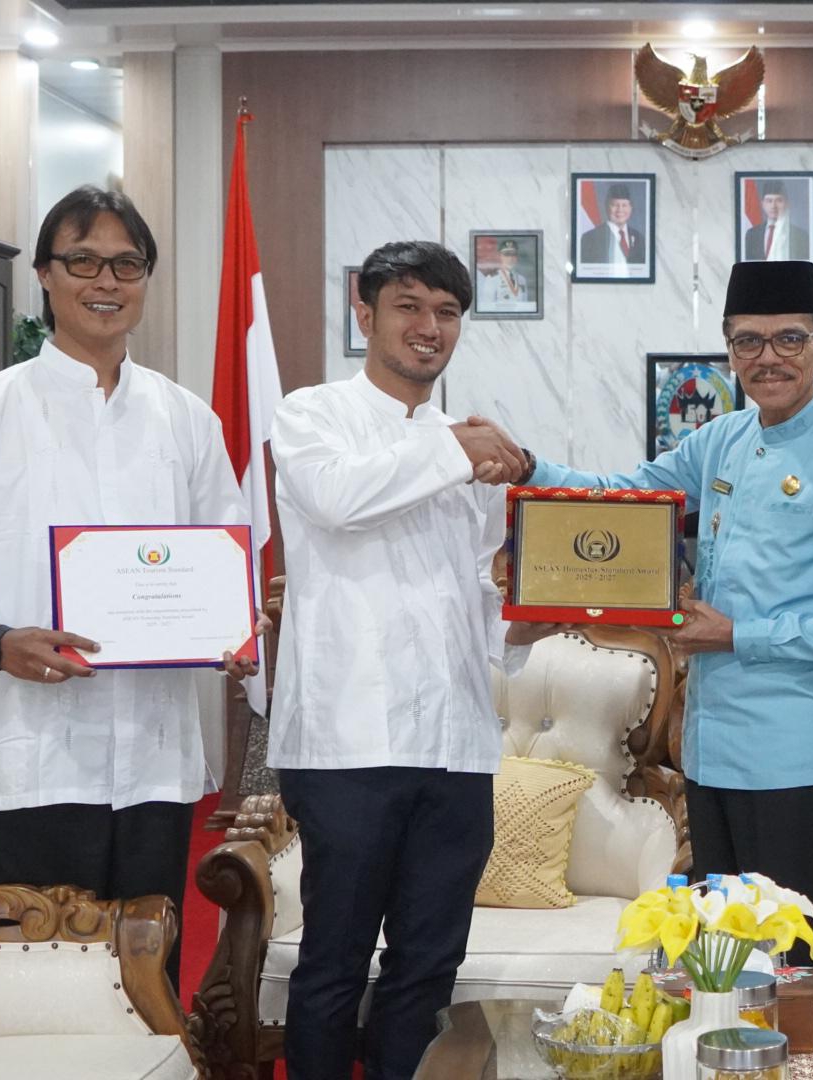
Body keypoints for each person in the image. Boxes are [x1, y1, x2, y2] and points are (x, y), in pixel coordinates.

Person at [0, 185, 258, 985]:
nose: (106, 281)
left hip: (153, 750)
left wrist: (229, 627)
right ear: (46, 276)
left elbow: (224, 550)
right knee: (41, 980)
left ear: (146, 279)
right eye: (83, 261)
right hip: (36, 751)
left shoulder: (187, 420)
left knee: (149, 975)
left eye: (127, 264)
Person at [521, 260, 813, 990]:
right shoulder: (722, 439)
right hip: (709, 755)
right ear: (729, 351)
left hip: (793, 760)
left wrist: (737, 634)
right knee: (720, 965)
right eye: (748, 341)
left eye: (789, 339)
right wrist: (530, 466)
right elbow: (623, 496)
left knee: (787, 970)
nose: (768, 358)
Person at [266, 240, 564, 1079]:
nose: (430, 327)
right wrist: (458, 452)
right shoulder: (311, 414)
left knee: (428, 967)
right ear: (364, 313)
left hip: (457, 744)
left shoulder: (469, 448)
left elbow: (475, 589)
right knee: (333, 963)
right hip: (346, 742)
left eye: (447, 312)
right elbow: (337, 499)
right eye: (409, 306)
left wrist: (524, 623)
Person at [578, 183, 647, 271]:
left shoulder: (639, 238)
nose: (620, 210)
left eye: (624, 205)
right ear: (607, 207)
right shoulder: (589, 238)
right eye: (614, 205)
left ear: (631, 208)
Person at [742, 179, 810, 261]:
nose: (773, 206)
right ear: (762, 204)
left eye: (779, 200)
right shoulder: (751, 234)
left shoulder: (801, 236)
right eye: (769, 201)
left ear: (787, 204)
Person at [476, 238, 532, 313]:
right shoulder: (492, 280)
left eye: (513, 255)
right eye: (506, 255)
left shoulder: (522, 279)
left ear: (516, 257)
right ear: (500, 257)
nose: (510, 259)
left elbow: (525, 306)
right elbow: (486, 309)